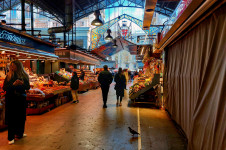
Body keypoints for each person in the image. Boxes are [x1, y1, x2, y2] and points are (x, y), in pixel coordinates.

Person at [3, 60, 30, 145]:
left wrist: (22, 83)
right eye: (11, 66)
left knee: (21, 117)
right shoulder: (9, 76)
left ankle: (20, 133)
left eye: (13, 66)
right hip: (11, 99)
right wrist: (13, 85)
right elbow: (5, 88)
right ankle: (11, 137)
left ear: (18, 66)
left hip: (21, 99)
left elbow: (28, 87)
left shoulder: (24, 75)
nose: (12, 67)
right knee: (11, 118)